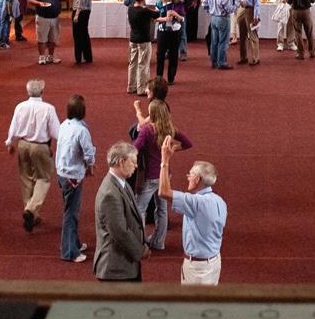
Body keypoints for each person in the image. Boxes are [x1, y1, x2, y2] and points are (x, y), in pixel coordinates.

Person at [158, 135, 227, 285]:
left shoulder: (196, 202)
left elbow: (163, 192)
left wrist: (165, 160)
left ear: (197, 179)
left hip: (198, 269)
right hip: (214, 262)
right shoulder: (220, 201)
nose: (187, 176)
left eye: (190, 174)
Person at [133, 99, 192, 252]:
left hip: (149, 176)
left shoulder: (147, 130)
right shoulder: (170, 129)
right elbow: (188, 143)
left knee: (139, 209)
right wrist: (173, 149)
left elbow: (135, 148)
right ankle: (159, 242)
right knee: (162, 209)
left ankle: (140, 243)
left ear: (152, 114)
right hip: (164, 175)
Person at [5, 77, 61, 232]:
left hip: (23, 145)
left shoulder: (20, 106)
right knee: (43, 178)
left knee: (26, 179)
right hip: (40, 146)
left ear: (27, 91)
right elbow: (56, 132)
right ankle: (31, 209)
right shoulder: (48, 109)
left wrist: (10, 143)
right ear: (42, 91)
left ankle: (31, 213)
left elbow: (13, 126)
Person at [94, 141, 149, 282]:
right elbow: (119, 231)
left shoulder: (122, 183)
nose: (136, 166)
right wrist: (140, 250)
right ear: (121, 162)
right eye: (133, 162)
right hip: (116, 270)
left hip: (124, 266)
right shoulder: (110, 194)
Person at [55, 93, 96, 262]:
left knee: (70, 210)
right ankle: (69, 251)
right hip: (73, 175)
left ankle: (74, 243)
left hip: (62, 172)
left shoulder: (64, 124)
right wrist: (91, 166)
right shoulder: (82, 130)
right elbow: (88, 153)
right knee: (71, 213)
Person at [27, 0, 69, 65]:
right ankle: (42, 57)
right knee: (42, 38)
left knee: (53, 39)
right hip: (43, 17)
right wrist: (39, 3)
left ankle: (50, 56)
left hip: (55, 18)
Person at [127, 0, 159, 93]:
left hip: (133, 39)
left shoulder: (130, 9)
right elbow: (157, 14)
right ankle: (141, 89)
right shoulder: (144, 11)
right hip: (144, 40)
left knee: (132, 63)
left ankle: (131, 86)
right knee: (143, 64)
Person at [155, 0, 186, 83]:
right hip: (162, 32)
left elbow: (182, 19)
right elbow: (155, 18)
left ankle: (171, 78)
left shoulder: (178, 3)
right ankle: (159, 78)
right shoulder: (159, 3)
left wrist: (176, 14)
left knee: (173, 55)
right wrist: (165, 19)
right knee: (160, 55)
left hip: (175, 32)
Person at [203, 0, 234, 70]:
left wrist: (210, 10)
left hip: (213, 18)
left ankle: (214, 61)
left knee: (214, 42)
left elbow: (204, 3)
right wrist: (235, 6)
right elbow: (229, 9)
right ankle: (221, 62)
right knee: (223, 42)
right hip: (223, 18)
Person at [233, 0, 261, 66]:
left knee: (252, 34)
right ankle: (243, 57)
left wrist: (256, 16)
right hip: (241, 9)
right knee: (242, 35)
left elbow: (257, 1)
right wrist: (236, 7)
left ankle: (255, 58)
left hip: (251, 10)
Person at [71, 0, 94, 64]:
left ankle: (78, 58)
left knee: (77, 36)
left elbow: (81, 1)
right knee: (84, 34)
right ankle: (88, 57)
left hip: (80, 12)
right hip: (85, 11)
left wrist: (76, 14)